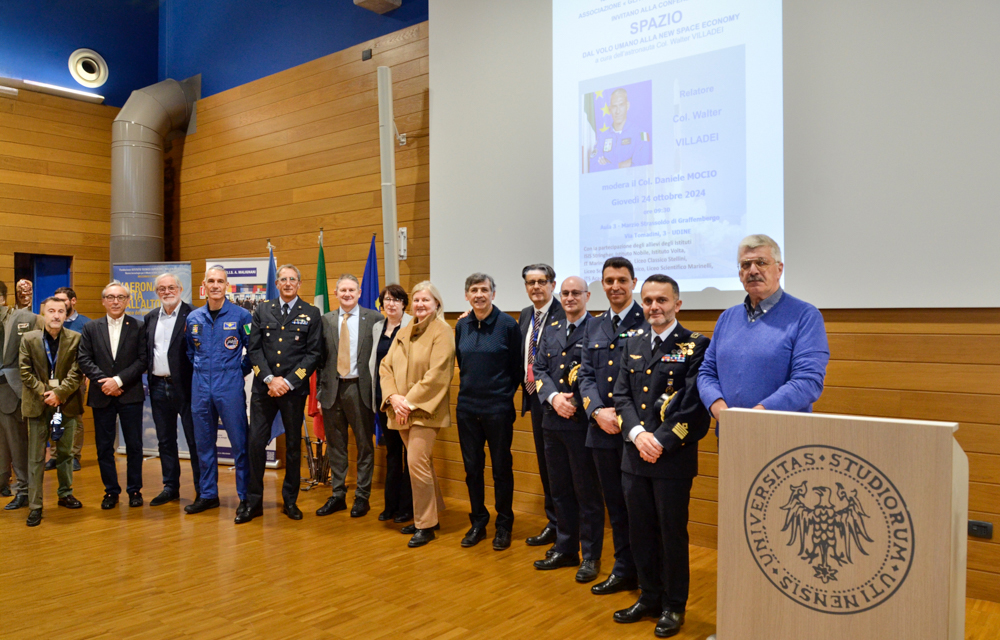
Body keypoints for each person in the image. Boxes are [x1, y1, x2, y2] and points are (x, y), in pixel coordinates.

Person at [612, 274, 711, 638]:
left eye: (662, 300)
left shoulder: (695, 345)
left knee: (671, 535)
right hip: (635, 455)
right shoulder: (632, 341)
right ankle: (649, 596)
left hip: (672, 459)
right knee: (639, 532)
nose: (654, 307)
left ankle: (673, 605)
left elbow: (694, 405)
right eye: (649, 300)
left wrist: (660, 441)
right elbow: (621, 395)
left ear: (677, 304)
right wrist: (637, 435)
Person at [698, 234, 829, 425]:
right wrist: (717, 406)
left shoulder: (805, 316)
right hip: (730, 431)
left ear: (779, 269)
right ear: (740, 274)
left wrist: (759, 414)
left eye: (761, 263)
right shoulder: (727, 317)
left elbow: (809, 382)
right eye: (745, 265)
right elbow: (707, 372)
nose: (753, 270)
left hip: (782, 435)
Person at [531, 277, 604, 583]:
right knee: (559, 490)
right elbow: (538, 369)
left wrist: (572, 402)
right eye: (566, 293)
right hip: (552, 419)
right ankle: (565, 548)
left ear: (588, 296)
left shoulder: (599, 329)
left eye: (576, 293)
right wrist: (553, 398)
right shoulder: (551, 328)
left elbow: (599, 373)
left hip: (581, 422)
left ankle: (590, 555)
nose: (570, 297)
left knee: (586, 493)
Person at [577, 256, 643, 594]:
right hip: (601, 430)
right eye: (609, 281)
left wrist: (623, 418)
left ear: (633, 283)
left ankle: (646, 573)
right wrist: (596, 412)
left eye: (622, 280)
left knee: (639, 508)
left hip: (635, 433)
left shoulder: (648, 319)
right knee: (615, 505)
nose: (615, 286)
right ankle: (622, 568)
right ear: (601, 285)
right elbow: (585, 376)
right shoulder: (594, 325)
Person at [244, 265, 322, 523]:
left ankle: (290, 501)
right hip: (264, 389)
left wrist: (288, 382)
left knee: (292, 447)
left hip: (293, 391)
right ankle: (253, 502)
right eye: (283, 279)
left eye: (292, 279)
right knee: (256, 443)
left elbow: (313, 354)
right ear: (276, 284)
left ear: (299, 284)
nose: (288, 283)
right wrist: (270, 379)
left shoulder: (311, 313)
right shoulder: (262, 310)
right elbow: (254, 349)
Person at [379, 281, 455, 547]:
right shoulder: (405, 329)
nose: (421, 304)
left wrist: (408, 403)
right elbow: (385, 366)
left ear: (437, 303)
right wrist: (393, 397)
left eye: (426, 300)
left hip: (424, 410)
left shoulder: (442, 331)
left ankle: (426, 524)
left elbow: (438, 375)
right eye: (418, 300)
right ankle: (431, 513)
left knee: (416, 463)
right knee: (422, 464)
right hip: (401, 409)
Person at [454, 273, 522, 551]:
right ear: (467, 295)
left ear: (493, 294)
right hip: (467, 409)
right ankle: (478, 522)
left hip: (498, 410)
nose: (479, 294)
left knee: (501, 469)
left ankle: (504, 524)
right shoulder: (461, 325)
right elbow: (462, 363)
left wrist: (503, 396)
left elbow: (517, 368)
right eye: (474, 290)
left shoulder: (508, 325)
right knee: (472, 469)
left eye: (484, 289)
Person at [184, 266, 253, 517]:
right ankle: (208, 494)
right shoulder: (194, 318)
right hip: (200, 386)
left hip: (229, 386)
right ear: (204, 286)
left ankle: (245, 497)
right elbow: (190, 352)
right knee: (204, 444)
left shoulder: (242, 315)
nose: (215, 285)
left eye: (220, 281)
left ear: (227, 286)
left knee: (240, 444)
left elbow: (253, 350)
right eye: (211, 281)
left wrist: (236, 371)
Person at [78, 282, 148, 510]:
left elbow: (143, 360)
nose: (115, 301)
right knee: (104, 447)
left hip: (130, 393)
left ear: (127, 301)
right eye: (110, 297)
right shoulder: (91, 327)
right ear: (103, 301)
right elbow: (84, 359)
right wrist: (106, 383)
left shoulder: (139, 326)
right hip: (102, 395)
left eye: (120, 297)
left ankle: (134, 490)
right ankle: (111, 491)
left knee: (134, 446)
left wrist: (118, 381)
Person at [315, 274, 379, 518]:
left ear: (359, 293)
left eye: (352, 290)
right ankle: (338, 494)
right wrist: (320, 391)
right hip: (332, 390)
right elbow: (319, 358)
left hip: (360, 390)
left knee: (364, 444)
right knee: (336, 446)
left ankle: (362, 496)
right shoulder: (326, 320)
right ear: (335, 293)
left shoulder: (374, 318)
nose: (347, 294)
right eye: (343, 290)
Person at [18, 296, 84, 526]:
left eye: (61, 311)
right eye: (51, 311)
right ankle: (35, 506)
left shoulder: (76, 338)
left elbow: (77, 372)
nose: (56, 315)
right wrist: (46, 393)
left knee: (65, 454)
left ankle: (65, 493)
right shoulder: (29, 338)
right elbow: (24, 371)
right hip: (37, 404)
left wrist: (59, 394)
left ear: (66, 314)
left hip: (66, 404)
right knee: (36, 457)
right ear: (43, 314)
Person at [517, 263, 564, 548]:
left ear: (552, 285)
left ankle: (567, 524)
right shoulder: (525, 315)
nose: (536, 287)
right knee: (546, 465)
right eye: (531, 282)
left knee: (561, 469)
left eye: (541, 281)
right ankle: (554, 522)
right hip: (535, 400)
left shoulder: (565, 312)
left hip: (559, 402)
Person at [143, 273, 199, 507]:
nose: (167, 292)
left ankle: (202, 490)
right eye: (162, 288)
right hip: (158, 386)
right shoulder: (150, 317)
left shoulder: (194, 315)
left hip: (186, 387)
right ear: (157, 292)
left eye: (171, 287)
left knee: (195, 440)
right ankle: (170, 487)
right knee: (165, 440)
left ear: (180, 289)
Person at [370, 283, 413, 523]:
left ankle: (407, 507)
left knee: (409, 455)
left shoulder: (412, 325)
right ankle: (391, 506)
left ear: (404, 303)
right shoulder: (378, 327)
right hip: (383, 401)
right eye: (387, 299)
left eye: (396, 299)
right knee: (392, 454)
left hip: (405, 401)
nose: (391, 304)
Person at [0, 280, 41, 508]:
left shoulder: (24, 318)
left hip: (10, 389)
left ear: (2, 298)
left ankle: (24, 490)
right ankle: (2, 482)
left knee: (17, 444)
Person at [51, 287, 90, 472]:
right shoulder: (51, 321)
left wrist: (87, 373)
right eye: (56, 300)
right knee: (53, 416)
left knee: (74, 417)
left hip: (76, 377)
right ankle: (55, 456)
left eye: (63, 300)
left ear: (73, 301)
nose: (59, 304)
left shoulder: (85, 324)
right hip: (53, 378)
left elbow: (90, 351)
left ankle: (74, 456)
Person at [592, 88, 651, 171]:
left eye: (621, 105)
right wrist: (625, 164)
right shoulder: (602, 137)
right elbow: (594, 167)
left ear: (627, 106)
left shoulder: (641, 134)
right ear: (610, 109)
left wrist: (608, 164)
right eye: (614, 106)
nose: (618, 111)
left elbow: (640, 166)